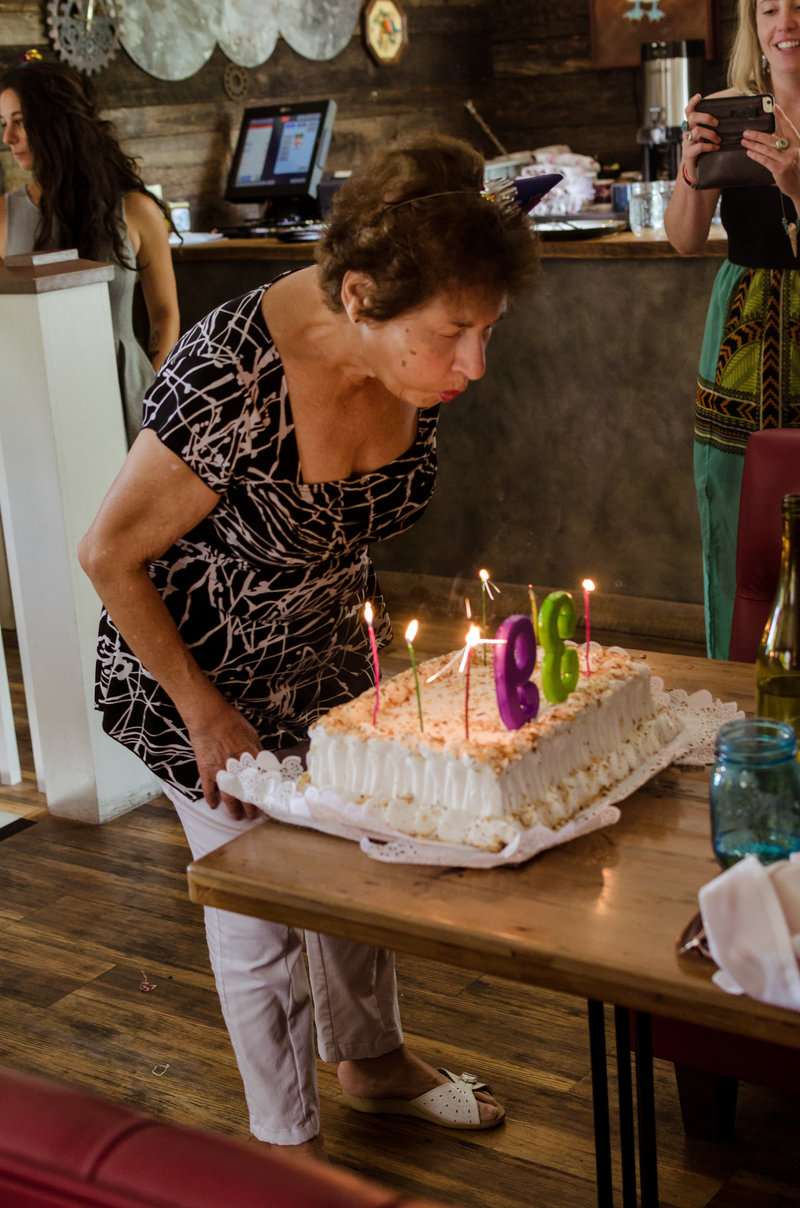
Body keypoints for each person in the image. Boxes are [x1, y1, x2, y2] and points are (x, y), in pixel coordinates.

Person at [78, 133, 540, 1158]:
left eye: (486, 331)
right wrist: (208, 716)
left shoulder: (405, 353)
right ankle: (280, 1143)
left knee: (355, 867)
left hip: (326, 662)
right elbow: (108, 554)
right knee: (260, 906)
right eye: (456, 331)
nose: (474, 362)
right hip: (199, 681)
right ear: (364, 297)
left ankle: (369, 1061)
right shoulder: (229, 376)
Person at [664, 0, 800, 659]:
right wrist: (689, 167)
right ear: (752, 24)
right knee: (732, 502)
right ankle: (735, 686)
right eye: (769, 8)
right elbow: (685, 239)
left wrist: (798, 188)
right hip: (740, 329)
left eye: (798, 7)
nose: (786, 23)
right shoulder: (728, 108)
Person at [0, 56, 180, 446]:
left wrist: (151, 388)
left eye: (20, 121)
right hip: (35, 398)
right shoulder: (4, 215)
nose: (8, 138)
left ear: (54, 121)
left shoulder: (135, 209)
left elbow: (164, 313)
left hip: (128, 394)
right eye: (4, 124)